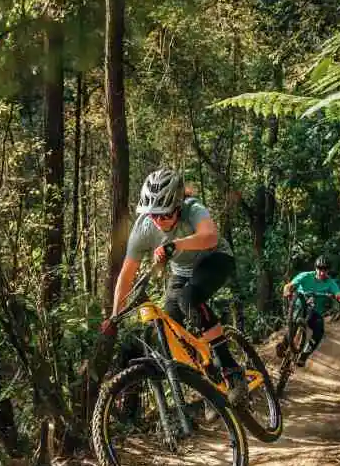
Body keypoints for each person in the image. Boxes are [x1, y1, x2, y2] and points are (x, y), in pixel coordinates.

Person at [100, 167, 247, 405]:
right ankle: (209, 386)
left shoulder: (193, 209)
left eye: (164, 214)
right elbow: (126, 276)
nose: (158, 221)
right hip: (183, 272)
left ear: (178, 206)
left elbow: (209, 236)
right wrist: (114, 316)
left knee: (189, 298)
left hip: (215, 258)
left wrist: (175, 245)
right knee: (170, 328)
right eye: (152, 215)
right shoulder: (144, 228)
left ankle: (232, 371)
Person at [282, 256, 340, 366]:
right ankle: (283, 344)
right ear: (316, 268)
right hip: (299, 306)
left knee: (319, 331)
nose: (322, 272)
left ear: (328, 270)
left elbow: (338, 292)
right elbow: (290, 285)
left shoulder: (330, 282)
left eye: (325, 269)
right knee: (293, 323)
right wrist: (288, 290)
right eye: (320, 269)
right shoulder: (305, 276)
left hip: (315, 312)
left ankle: (304, 356)